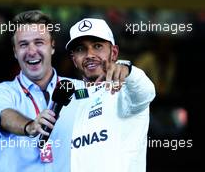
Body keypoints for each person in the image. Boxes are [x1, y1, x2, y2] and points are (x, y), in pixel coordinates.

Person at [0, 10, 79, 172]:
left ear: (52, 47)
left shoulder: (80, 89)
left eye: (39, 42)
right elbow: (6, 116)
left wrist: (126, 72)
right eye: (23, 44)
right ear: (15, 52)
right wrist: (30, 126)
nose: (31, 51)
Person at [64, 18, 156, 172]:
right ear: (74, 60)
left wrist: (127, 70)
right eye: (81, 49)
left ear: (114, 53)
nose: (89, 55)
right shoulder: (69, 101)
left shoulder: (125, 91)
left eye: (97, 46)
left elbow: (146, 92)